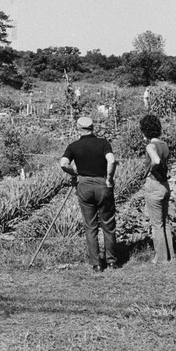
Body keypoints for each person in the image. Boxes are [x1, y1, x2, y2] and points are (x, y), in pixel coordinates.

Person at [60, 116, 119, 272]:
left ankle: (97, 264)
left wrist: (74, 173)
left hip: (84, 185)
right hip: (102, 184)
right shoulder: (103, 143)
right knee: (108, 224)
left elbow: (63, 163)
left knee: (90, 226)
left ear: (78, 129)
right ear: (93, 128)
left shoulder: (74, 146)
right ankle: (112, 261)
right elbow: (111, 161)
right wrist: (110, 179)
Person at [140, 114, 172, 263]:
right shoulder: (164, 145)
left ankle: (160, 259)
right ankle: (169, 255)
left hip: (154, 185)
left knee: (157, 225)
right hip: (165, 185)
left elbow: (156, 160)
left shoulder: (150, 146)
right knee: (165, 223)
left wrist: (149, 170)